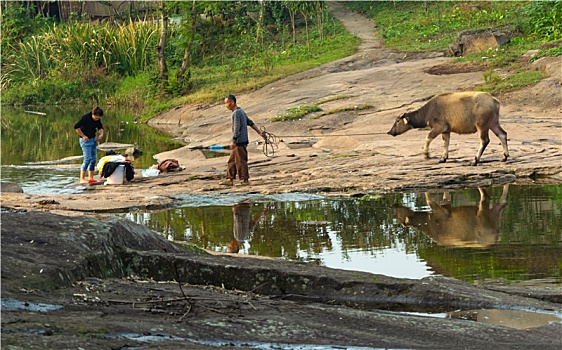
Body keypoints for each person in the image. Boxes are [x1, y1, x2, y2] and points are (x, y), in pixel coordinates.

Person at [221, 94, 264, 186]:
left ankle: (244, 180)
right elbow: (250, 122)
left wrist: (234, 140)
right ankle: (229, 179)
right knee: (232, 161)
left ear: (232, 102)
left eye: (226, 103)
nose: (226, 105)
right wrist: (259, 132)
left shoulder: (236, 113)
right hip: (240, 141)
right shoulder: (241, 111)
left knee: (240, 161)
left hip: (239, 142)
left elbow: (237, 128)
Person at [74, 106, 104, 183]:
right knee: (87, 159)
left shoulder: (98, 120)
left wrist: (101, 134)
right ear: (93, 114)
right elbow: (76, 127)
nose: (97, 119)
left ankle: (90, 177)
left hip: (93, 139)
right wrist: (83, 136)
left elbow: (100, 127)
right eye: (96, 118)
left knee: (93, 159)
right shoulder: (85, 118)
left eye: (99, 118)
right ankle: (82, 179)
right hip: (85, 141)